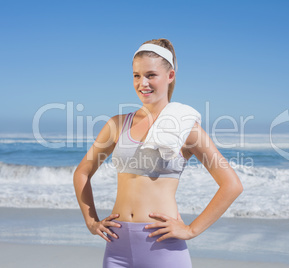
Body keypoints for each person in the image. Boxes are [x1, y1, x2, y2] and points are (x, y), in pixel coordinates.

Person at [73, 38, 243, 268]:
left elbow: (231, 185)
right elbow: (83, 171)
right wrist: (91, 221)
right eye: (136, 75)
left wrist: (191, 230)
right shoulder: (117, 124)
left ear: (170, 76)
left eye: (151, 75)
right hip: (117, 247)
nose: (143, 83)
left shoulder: (186, 129)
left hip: (163, 248)